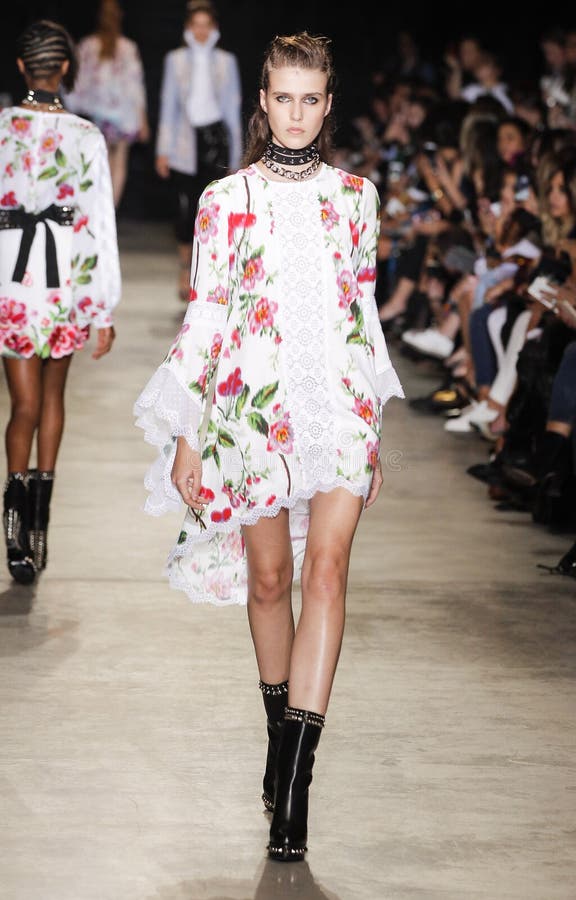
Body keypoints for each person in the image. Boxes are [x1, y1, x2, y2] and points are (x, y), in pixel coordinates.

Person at [134, 31, 404, 861]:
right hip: (253, 415)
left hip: (338, 413)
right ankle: (276, 732)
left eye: (309, 99)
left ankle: (294, 777)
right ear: (263, 102)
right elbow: (208, 315)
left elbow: (362, 316)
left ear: (328, 104)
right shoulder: (225, 200)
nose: (294, 113)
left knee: (325, 571)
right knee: (269, 578)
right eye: (281, 98)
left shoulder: (358, 195)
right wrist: (185, 430)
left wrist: (373, 424)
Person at [0, 20, 120, 584]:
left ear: (22, 67)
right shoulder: (85, 135)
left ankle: (14, 529)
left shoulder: (1, 129)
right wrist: (103, 307)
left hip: (13, 283)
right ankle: (40, 525)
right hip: (66, 281)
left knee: (20, 405)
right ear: (65, 68)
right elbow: (98, 224)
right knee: (52, 398)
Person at [155, 0, 242, 300]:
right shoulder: (175, 60)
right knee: (184, 210)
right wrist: (162, 150)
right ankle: (185, 269)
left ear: (214, 28)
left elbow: (233, 109)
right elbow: (168, 107)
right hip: (184, 141)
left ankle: (206, 273)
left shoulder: (225, 61)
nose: (202, 31)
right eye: (197, 25)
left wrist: (236, 157)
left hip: (215, 140)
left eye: (207, 25)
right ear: (188, 29)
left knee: (213, 208)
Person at [65, 0, 149, 209]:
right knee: (118, 162)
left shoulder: (86, 46)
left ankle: (96, 211)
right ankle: (108, 213)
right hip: (123, 117)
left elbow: (74, 85)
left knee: (95, 163)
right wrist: (142, 120)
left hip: (96, 116)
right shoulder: (128, 47)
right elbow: (135, 88)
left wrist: (70, 111)